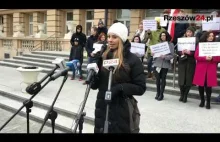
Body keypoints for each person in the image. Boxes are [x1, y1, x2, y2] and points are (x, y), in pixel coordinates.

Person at [90, 22, 146, 133]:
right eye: (109, 36)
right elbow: (98, 84)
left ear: (122, 39)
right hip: (102, 107)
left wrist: (120, 87)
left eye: (114, 37)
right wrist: (93, 79)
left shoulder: (132, 60)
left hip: (121, 111)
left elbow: (140, 87)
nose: (110, 40)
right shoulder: (104, 56)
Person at [193, 31, 220, 109]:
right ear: (206, 36)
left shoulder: (216, 46)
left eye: (212, 36)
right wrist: (205, 58)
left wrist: (212, 58)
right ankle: (202, 100)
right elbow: (196, 56)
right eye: (209, 35)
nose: (211, 37)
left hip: (211, 68)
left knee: (208, 86)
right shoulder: (200, 45)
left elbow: (218, 57)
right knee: (200, 85)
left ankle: (208, 102)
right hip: (201, 67)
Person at [177, 27, 197, 103]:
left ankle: (186, 95)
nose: (189, 33)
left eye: (190, 32)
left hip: (190, 62)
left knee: (188, 80)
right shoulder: (181, 40)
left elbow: (197, 51)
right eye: (187, 32)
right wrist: (181, 52)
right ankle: (182, 94)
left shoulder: (195, 41)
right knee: (181, 79)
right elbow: (177, 51)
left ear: (193, 33)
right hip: (182, 61)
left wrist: (190, 53)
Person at [152, 31, 174, 101]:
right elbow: (155, 55)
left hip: (165, 64)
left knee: (163, 79)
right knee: (157, 79)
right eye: (161, 35)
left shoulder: (170, 44)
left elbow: (172, 55)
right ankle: (158, 93)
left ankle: (161, 94)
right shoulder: (158, 44)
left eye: (164, 35)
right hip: (157, 63)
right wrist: (153, 54)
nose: (162, 37)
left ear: (167, 36)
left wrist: (165, 57)